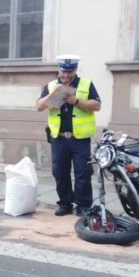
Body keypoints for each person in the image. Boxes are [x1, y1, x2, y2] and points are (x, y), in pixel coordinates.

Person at [35, 55, 101, 217]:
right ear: (59, 70)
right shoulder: (51, 86)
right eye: (63, 73)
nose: (65, 77)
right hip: (59, 138)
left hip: (80, 139)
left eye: (69, 73)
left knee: (83, 173)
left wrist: (76, 101)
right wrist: (53, 96)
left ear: (75, 70)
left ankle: (83, 205)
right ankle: (65, 204)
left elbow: (97, 105)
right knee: (59, 172)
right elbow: (38, 106)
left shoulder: (85, 84)